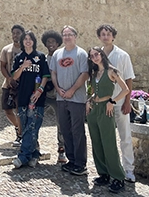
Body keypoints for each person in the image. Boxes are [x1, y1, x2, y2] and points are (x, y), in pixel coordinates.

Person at [86, 46, 130, 194]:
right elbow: (94, 92)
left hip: (106, 109)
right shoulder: (94, 73)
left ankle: (118, 177)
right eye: (92, 56)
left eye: (96, 54)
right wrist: (89, 101)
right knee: (96, 142)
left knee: (109, 143)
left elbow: (125, 89)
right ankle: (103, 173)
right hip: (94, 110)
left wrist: (113, 101)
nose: (95, 57)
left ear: (102, 55)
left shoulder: (112, 71)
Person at [97, 24, 136, 183]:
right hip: (103, 104)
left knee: (125, 136)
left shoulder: (122, 55)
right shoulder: (96, 55)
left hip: (119, 102)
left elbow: (128, 79)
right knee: (106, 138)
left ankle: (129, 170)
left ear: (113, 36)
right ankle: (110, 168)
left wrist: (127, 102)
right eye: (102, 34)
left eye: (108, 34)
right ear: (99, 37)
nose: (105, 36)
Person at [49, 25, 89, 176]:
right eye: (64, 34)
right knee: (65, 130)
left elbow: (85, 74)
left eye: (70, 34)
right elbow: (53, 72)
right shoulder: (57, 54)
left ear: (75, 36)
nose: (67, 37)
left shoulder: (81, 53)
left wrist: (72, 90)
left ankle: (81, 164)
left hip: (77, 99)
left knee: (78, 131)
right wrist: (58, 89)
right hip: (61, 98)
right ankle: (71, 160)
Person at [11, 31, 50, 169]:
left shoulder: (40, 57)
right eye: (25, 39)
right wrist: (23, 66)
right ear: (22, 42)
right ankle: (33, 154)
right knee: (27, 125)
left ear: (34, 41)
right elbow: (14, 77)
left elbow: (45, 76)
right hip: (22, 96)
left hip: (36, 97)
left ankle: (22, 157)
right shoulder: (19, 57)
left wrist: (40, 90)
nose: (28, 41)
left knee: (32, 125)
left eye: (30, 39)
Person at [41, 29, 67, 163]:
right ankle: (34, 146)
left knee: (61, 123)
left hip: (58, 95)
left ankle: (61, 150)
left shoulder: (62, 58)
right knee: (35, 118)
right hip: (45, 94)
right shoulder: (43, 59)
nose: (51, 44)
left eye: (53, 42)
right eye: (48, 41)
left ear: (58, 43)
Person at [0, 24, 25, 146]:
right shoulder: (6, 49)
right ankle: (18, 127)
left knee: (20, 110)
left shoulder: (26, 50)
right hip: (8, 84)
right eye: (14, 33)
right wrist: (9, 78)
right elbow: (2, 66)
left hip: (22, 85)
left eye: (18, 33)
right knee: (7, 109)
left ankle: (20, 135)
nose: (15, 35)